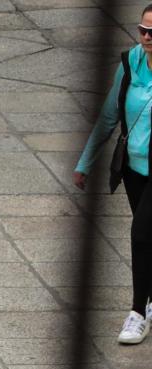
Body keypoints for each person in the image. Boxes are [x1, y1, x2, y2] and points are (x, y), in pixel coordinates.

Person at [74, 4, 152, 345]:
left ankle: (137, 313)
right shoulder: (131, 63)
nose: (146, 37)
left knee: (141, 234)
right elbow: (109, 115)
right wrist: (85, 162)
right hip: (134, 167)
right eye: (142, 30)